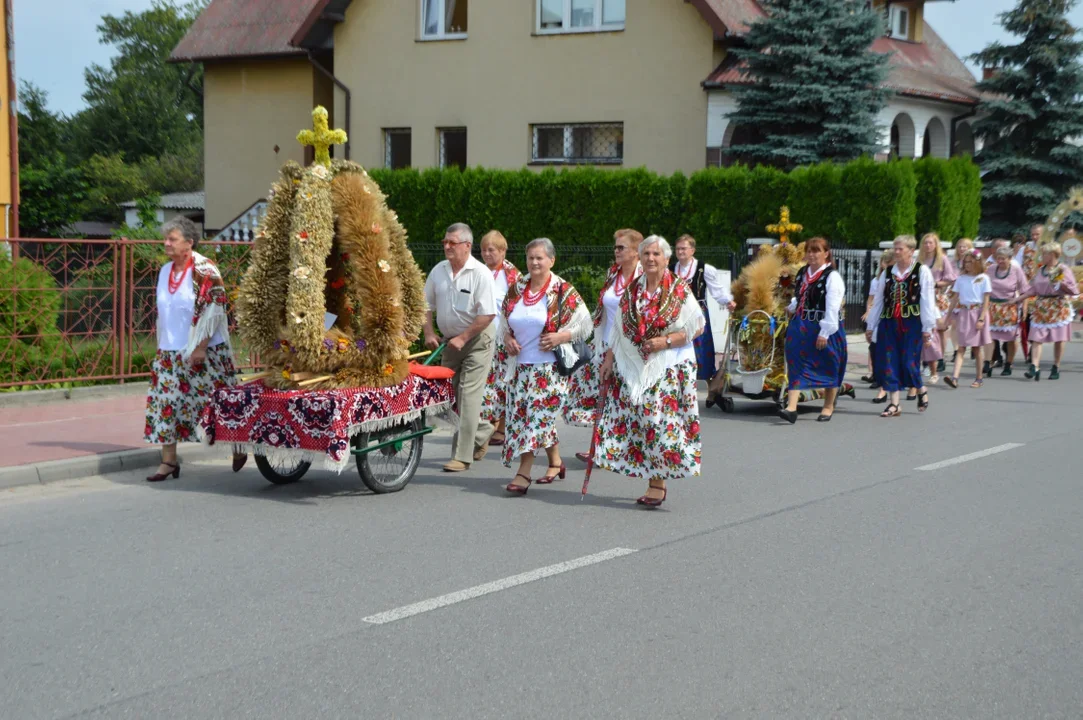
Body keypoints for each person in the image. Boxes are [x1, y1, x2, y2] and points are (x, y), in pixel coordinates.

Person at [596, 235, 705, 508]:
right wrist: (609, 359)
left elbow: (696, 326)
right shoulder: (633, 290)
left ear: (666, 259)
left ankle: (657, 482)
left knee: (656, 421)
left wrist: (665, 341)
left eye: (656, 254)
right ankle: (653, 476)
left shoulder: (679, 289)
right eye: (646, 254)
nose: (651, 259)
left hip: (671, 364)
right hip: (639, 364)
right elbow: (618, 329)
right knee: (643, 420)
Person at [144, 217, 245, 481]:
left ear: (189, 243)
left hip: (205, 352)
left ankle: (238, 446)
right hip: (169, 351)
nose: (166, 243)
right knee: (166, 405)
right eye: (166, 239)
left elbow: (215, 310)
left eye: (172, 239)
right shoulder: (165, 271)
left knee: (216, 404)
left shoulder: (205, 270)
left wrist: (200, 347)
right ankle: (168, 462)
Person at [501, 239, 592, 494]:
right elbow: (503, 323)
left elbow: (586, 324)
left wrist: (561, 336)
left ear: (551, 260)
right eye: (530, 257)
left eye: (540, 258)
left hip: (550, 369)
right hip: (521, 368)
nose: (534, 262)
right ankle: (556, 462)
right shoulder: (517, 288)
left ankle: (523, 472)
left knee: (534, 419)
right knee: (528, 417)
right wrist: (507, 339)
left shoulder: (562, 290)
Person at [423, 222, 498, 472]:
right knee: (448, 397)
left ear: (467, 246)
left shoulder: (481, 274)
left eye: (452, 243)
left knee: (467, 395)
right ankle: (485, 429)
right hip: (451, 341)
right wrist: (430, 332)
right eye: (445, 242)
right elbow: (426, 306)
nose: (446, 246)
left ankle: (462, 456)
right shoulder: (439, 271)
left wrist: (463, 337)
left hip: (477, 340)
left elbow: (487, 314)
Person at [564, 228, 642, 464]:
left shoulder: (643, 277)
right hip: (605, 345)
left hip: (630, 350)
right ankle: (600, 448)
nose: (616, 251)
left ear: (636, 252)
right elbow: (603, 311)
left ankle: (626, 448)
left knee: (624, 400)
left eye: (621, 248)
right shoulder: (613, 274)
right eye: (615, 247)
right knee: (602, 397)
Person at [865, 235, 937, 417]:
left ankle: (921, 388)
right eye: (895, 248)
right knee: (889, 361)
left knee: (908, 362)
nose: (896, 252)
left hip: (912, 324)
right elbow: (879, 300)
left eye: (900, 249)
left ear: (911, 251)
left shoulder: (922, 271)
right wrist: (871, 325)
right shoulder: (888, 272)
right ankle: (894, 404)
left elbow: (927, 300)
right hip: (889, 323)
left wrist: (927, 328)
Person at [779, 237, 847, 423]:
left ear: (826, 253)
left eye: (816, 250)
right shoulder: (802, 272)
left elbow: (833, 307)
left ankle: (828, 405)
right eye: (809, 250)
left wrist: (825, 332)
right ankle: (791, 408)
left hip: (824, 325)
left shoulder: (832, 276)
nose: (812, 254)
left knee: (829, 364)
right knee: (796, 363)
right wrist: (792, 307)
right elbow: (800, 296)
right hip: (801, 325)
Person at [671, 234, 737, 382]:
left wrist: (728, 301)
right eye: (678, 249)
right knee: (676, 346)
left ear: (692, 250)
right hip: (676, 314)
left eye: (684, 248)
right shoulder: (670, 269)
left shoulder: (703, 268)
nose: (680, 252)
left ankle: (706, 381)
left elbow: (717, 289)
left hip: (697, 314)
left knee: (701, 349)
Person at [478, 230, 520, 448]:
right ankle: (486, 424)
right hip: (482, 337)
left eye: (491, 250)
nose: (486, 254)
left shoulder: (514, 276)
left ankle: (502, 427)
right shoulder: (478, 272)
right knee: (485, 384)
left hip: (504, 338)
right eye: (484, 250)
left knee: (504, 383)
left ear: (503, 251)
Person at [1022, 241, 1079, 381]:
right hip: (1041, 306)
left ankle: (1056, 366)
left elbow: (1073, 290)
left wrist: (1060, 283)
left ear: (1053, 255)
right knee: (1036, 338)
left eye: (1044, 253)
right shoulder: (1041, 270)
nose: (1041, 256)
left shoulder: (1063, 269)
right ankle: (1034, 367)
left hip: (1057, 306)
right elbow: (1033, 289)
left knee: (1059, 340)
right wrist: (1018, 298)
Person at [942, 250, 992, 389]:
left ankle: (979, 377)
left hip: (977, 313)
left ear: (977, 262)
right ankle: (954, 378)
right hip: (964, 313)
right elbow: (954, 299)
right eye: (966, 262)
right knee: (961, 347)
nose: (967, 264)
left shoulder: (983, 278)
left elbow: (986, 300)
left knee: (976, 348)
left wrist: (981, 318)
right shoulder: (961, 279)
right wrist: (948, 316)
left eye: (970, 261)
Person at [986, 244, 1030, 376]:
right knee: (990, 337)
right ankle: (988, 362)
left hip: (1009, 307)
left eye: (1003, 259)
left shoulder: (1016, 270)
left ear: (1010, 258)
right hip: (993, 307)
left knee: (1011, 338)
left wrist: (1023, 307)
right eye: (998, 258)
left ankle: (1008, 364)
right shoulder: (991, 269)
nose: (1000, 261)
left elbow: (1025, 291)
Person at [918, 233, 956, 376]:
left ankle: (939, 358)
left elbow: (951, 278)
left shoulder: (942, 259)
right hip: (923, 297)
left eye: (930, 243)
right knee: (926, 328)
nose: (928, 245)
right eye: (925, 243)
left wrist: (936, 284)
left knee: (939, 329)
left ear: (935, 245)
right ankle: (926, 360)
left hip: (938, 296)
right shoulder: (920, 260)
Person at [864, 249, 894, 403]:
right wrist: (870, 324)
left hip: (901, 322)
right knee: (878, 351)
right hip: (883, 320)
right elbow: (876, 302)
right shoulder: (880, 278)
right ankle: (882, 386)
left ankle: (917, 388)